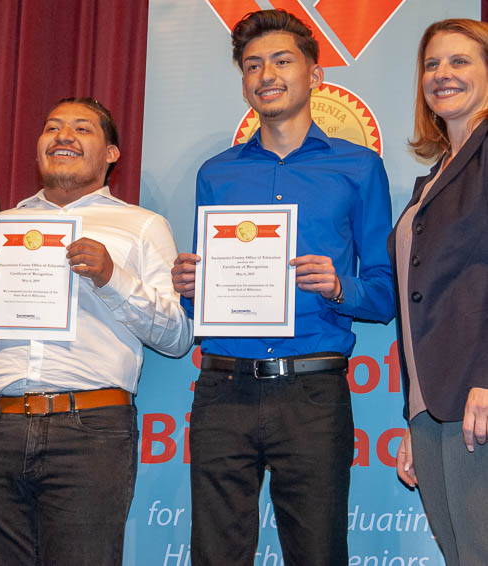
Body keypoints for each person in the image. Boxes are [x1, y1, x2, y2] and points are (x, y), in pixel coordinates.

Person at [171, 10, 394, 566]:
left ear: (315, 76)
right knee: (215, 555)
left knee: (317, 553)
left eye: (281, 60)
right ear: (244, 81)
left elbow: (386, 292)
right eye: (252, 65)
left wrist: (340, 287)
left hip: (313, 394)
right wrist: (190, 287)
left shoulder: (360, 168)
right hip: (223, 389)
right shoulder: (215, 174)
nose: (266, 74)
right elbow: (206, 298)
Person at [0, 97, 192, 565]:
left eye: (82, 128)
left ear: (112, 153)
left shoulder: (141, 227)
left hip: (89, 429)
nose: (63, 136)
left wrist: (112, 276)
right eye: (53, 127)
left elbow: (176, 337)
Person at [390, 19, 488, 566]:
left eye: (460, 61)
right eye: (431, 64)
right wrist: (414, 413)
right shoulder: (430, 180)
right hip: (434, 406)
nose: (442, 74)